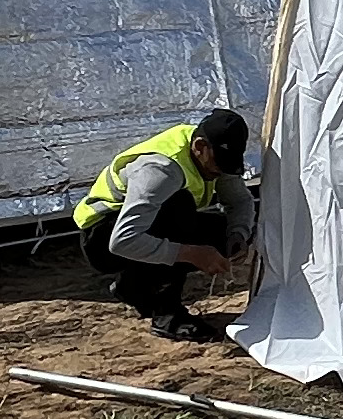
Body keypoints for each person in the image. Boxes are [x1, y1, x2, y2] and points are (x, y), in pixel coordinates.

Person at [74, 107, 257, 340]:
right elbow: (122, 240)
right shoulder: (160, 170)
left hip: (141, 228)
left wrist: (237, 235)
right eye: (219, 162)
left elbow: (240, 200)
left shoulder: (214, 152)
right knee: (178, 209)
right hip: (102, 236)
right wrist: (192, 253)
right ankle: (168, 316)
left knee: (224, 231)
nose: (221, 170)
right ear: (200, 147)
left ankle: (133, 287)